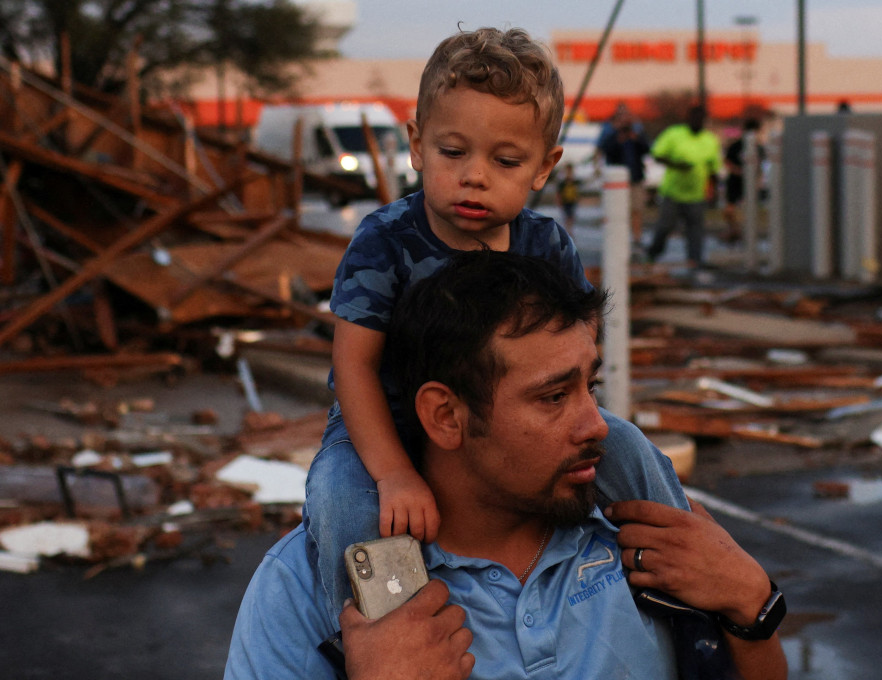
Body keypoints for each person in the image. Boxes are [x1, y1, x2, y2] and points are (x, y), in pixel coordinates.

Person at [225, 250, 789, 679]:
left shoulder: (646, 539)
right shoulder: (306, 590)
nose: (597, 424)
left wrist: (752, 611)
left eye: (590, 385)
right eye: (552, 397)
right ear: (445, 416)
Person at [299, 26, 687, 628]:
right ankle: (376, 637)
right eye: (453, 153)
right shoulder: (383, 242)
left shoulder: (544, 244)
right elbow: (355, 367)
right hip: (388, 423)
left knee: (631, 448)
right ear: (417, 146)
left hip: (506, 423)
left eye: (505, 161)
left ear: (543, 167)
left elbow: (577, 353)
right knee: (341, 502)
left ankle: (686, 584)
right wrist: (396, 472)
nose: (474, 175)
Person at [646, 104, 721, 267]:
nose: (698, 122)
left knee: (695, 229)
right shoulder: (674, 134)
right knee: (665, 226)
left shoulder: (710, 140)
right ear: (688, 119)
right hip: (672, 192)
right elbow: (657, 154)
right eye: (695, 118)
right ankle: (653, 253)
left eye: (701, 119)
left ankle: (694, 259)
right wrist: (676, 165)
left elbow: (713, 169)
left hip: (696, 194)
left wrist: (713, 191)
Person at [597, 103, 651, 245]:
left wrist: (636, 139)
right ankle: (618, 238)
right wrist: (617, 137)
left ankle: (637, 238)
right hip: (617, 181)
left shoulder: (637, 133)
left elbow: (647, 149)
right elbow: (604, 149)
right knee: (617, 211)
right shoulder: (610, 132)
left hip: (635, 178)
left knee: (637, 209)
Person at [722, 118, 766, 243]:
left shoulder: (758, 147)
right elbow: (727, 161)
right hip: (735, 181)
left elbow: (760, 165)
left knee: (749, 208)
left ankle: (746, 233)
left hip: (749, 182)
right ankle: (734, 230)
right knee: (729, 210)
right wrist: (738, 171)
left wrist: (757, 179)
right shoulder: (736, 146)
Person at [556, 162, 580, 234]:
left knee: (571, 217)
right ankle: (568, 231)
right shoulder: (562, 183)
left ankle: (570, 230)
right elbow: (558, 193)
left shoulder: (574, 181)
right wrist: (559, 201)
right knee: (567, 217)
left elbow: (577, 191)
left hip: (572, 201)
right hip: (565, 201)